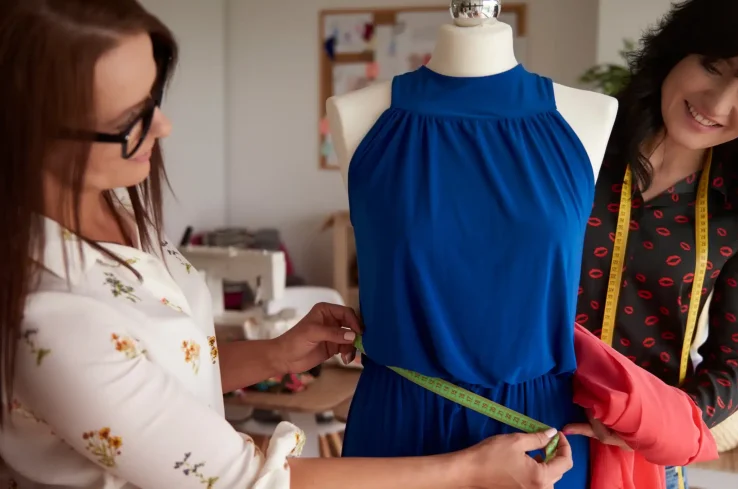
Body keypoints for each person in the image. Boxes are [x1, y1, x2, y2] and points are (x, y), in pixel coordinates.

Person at [0, 1, 573, 488]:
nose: (165, 127)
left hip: (533, 411)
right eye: (132, 117)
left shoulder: (114, 202)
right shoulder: (46, 316)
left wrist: (273, 355)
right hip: (403, 421)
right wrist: (468, 470)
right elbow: (246, 476)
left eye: (155, 97)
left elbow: (160, 377)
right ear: (27, 130)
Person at [563, 0, 738, 488]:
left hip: (640, 452)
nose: (717, 105)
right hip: (519, 422)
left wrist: (655, 422)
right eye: (713, 67)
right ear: (679, 48)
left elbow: (736, 367)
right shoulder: (573, 146)